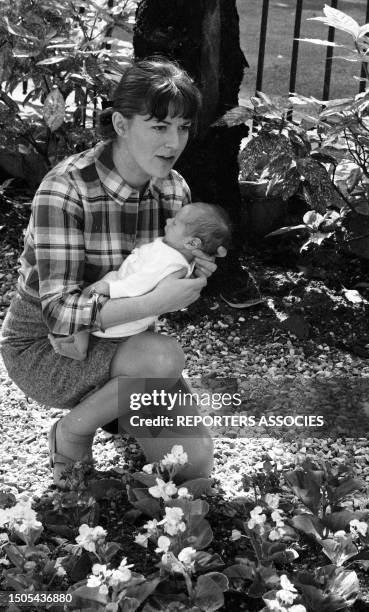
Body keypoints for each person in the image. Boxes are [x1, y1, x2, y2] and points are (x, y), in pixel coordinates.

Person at [0, 57, 226, 488]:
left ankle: (117, 406)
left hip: (125, 346)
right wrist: (154, 302)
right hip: (48, 350)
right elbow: (59, 316)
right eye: (159, 126)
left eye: (182, 128)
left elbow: (161, 286)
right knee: (163, 355)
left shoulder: (175, 190)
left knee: (191, 467)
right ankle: (73, 431)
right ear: (121, 124)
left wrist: (192, 274)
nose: (174, 141)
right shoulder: (66, 188)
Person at [48, 202, 231, 361]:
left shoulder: (170, 261)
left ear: (192, 244)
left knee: (86, 300)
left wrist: (111, 288)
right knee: (86, 305)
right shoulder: (175, 252)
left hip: (124, 303)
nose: (168, 222)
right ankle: (75, 339)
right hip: (130, 302)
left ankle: (80, 348)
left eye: (174, 223)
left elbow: (141, 283)